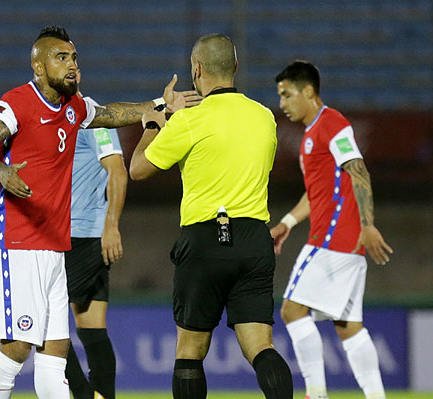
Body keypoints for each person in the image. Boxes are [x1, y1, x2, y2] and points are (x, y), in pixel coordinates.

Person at [0, 25, 201, 399]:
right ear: (38, 67)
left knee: (55, 354)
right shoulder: (17, 103)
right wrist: (2, 171)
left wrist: (160, 105)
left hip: (52, 248)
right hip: (12, 244)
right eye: (61, 58)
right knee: (16, 350)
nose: (72, 65)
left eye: (74, 57)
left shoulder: (74, 108)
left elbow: (113, 113)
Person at [129, 33, 294, 399]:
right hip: (253, 239)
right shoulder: (265, 118)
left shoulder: (189, 120)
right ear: (235, 67)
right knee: (260, 347)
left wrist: (155, 123)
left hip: (204, 239)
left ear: (196, 69)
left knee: (190, 352)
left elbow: (138, 169)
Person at [270, 60, 393, 399]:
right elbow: (317, 193)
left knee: (292, 310)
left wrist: (368, 224)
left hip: (330, 240)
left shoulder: (332, 124)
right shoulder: (313, 134)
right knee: (349, 328)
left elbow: (359, 170)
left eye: (287, 94)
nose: (282, 104)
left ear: (308, 92)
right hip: (344, 245)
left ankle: (317, 394)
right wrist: (287, 223)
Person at [64, 69, 127, 399]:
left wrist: (111, 226)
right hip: (70, 237)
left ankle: (85, 396)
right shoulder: (58, 121)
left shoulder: (90, 117)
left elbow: (117, 169)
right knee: (91, 328)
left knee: (46, 326)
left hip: (84, 238)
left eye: (74, 65)